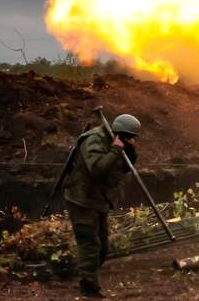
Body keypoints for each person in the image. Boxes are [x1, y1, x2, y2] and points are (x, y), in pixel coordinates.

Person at [63, 113, 140, 298]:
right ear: (119, 132)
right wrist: (115, 149)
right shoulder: (94, 139)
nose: (130, 139)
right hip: (81, 198)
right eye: (128, 136)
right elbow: (97, 169)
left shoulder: (116, 141)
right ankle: (89, 289)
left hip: (99, 199)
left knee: (103, 247)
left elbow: (121, 168)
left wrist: (129, 151)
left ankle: (86, 274)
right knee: (89, 244)